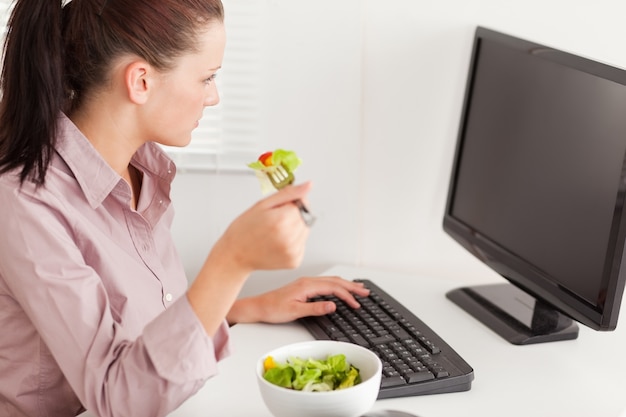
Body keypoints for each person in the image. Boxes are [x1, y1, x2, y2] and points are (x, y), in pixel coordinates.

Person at [0, 1, 369, 416]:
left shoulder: (142, 171)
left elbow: (141, 326)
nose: (214, 97)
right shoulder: (25, 203)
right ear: (140, 80)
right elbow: (115, 395)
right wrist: (232, 261)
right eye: (207, 77)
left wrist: (242, 307)